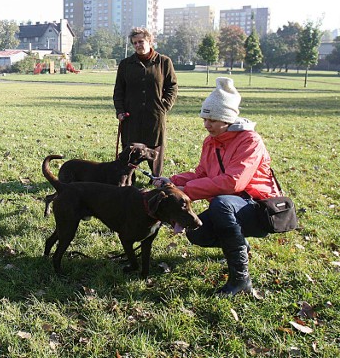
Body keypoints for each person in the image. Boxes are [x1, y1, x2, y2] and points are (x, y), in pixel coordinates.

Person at [153, 77, 280, 295]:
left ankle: (241, 280)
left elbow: (233, 182)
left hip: (260, 208)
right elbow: (202, 173)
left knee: (221, 204)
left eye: (212, 119)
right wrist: (173, 182)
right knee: (197, 234)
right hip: (231, 206)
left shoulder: (250, 141)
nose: (206, 124)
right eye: (204, 118)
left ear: (227, 118)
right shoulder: (210, 142)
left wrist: (186, 191)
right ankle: (239, 244)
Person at [113, 27, 177, 181]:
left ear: (149, 41)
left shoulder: (164, 62)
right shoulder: (126, 64)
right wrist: (120, 110)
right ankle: (128, 179)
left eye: (141, 41)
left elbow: (172, 87)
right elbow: (118, 91)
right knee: (130, 147)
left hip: (155, 115)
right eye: (134, 43)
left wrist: (164, 106)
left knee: (155, 146)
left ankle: (156, 178)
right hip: (131, 115)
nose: (137, 45)